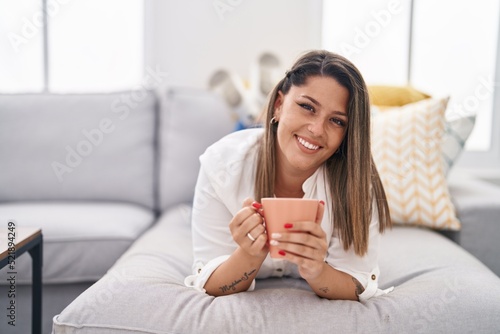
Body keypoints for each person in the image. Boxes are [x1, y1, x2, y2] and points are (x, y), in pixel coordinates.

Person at [184, 50, 392, 302]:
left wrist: (318, 270)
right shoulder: (221, 165)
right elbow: (211, 283)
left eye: (336, 121)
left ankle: (250, 107)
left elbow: (357, 283)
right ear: (279, 104)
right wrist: (249, 255)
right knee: (247, 125)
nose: (316, 129)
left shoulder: (357, 184)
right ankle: (249, 108)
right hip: (249, 145)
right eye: (307, 107)